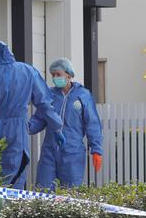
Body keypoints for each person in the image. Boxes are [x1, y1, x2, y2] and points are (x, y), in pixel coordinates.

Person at [0, 40, 65, 189]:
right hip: (18, 132)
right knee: (16, 178)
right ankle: (11, 211)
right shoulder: (27, 71)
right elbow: (44, 104)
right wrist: (56, 127)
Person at [29, 58, 103, 190]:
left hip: (73, 153)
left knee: (70, 193)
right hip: (49, 152)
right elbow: (40, 118)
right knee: (43, 192)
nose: (55, 78)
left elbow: (92, 124)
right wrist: (25, 128)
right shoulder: (49, 94)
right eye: (53, 75)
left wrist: (96, 150)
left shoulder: (83, 95)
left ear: (69, 75)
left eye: (58, 74)